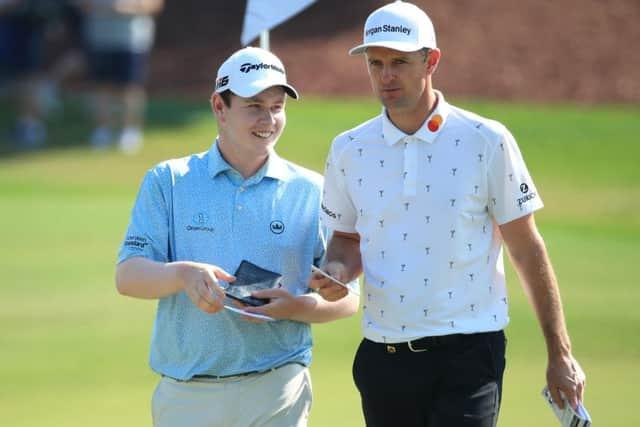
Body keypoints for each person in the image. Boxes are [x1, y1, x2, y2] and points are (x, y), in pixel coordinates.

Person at [312, 1, 586, 426]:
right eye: (376, 63)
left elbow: (527, 250)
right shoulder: (349, 149)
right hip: (383, 358)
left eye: (399, 62)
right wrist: (335, 272)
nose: (386, 76)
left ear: (431, 60)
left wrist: (560, 353)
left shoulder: (485, 140)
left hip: (468, 355)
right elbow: (346, 242)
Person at [115, 46, 359, 427]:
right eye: (254, 106)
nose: (269, 119)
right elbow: (128, 275)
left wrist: (295, 306)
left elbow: (347, 300)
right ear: (219, 107)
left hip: (278, 388)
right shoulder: (169, 181)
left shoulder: (313, 191)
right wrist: (183, 274)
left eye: (277, 107)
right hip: (188, 394)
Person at [78, 0, 164, 154]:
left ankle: (129, 132)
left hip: (132, 39)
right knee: (101, 86)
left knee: (130, 87)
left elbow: (154, 5)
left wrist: (125, 8)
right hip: (100, 38)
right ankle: (102, 131)